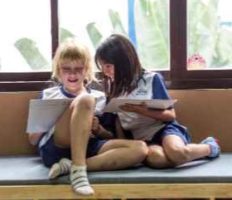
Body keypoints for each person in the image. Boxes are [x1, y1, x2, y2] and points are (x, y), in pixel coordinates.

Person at [27, 38, 148, 196]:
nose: (72, 74)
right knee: (85, 99)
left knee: (140, 149)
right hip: (57, 147)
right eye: (66, 69)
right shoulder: (49, 95)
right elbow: (32, 139)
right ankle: (79, 175)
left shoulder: (100, 97)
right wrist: (55, 118)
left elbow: (109, 136)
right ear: (58, 70)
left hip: (90, 148)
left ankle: (71, 166)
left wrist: (98, 129)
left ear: (87, 70)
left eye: (78, 69)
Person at [94, 34, 221, 169]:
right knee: (157, 160)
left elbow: (171, 115)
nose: (105, 71)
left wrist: (141, 110)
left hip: (164, 129)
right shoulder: (111, 89)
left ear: (123, 62)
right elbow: (117, 123)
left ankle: (210, 146)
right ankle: (187, 152)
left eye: (108, 66)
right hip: (141, 139)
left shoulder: (151, 79)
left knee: (177, 153)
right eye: (102, 67)